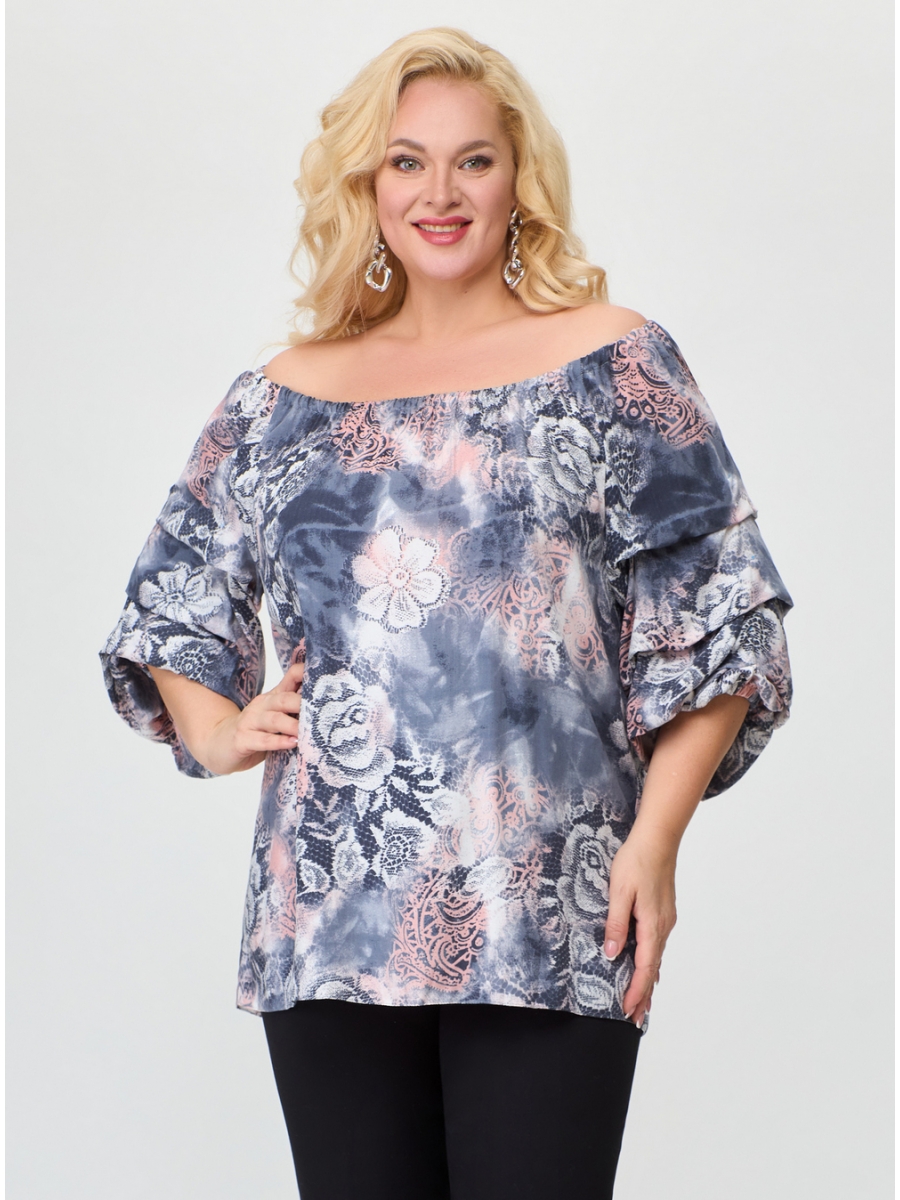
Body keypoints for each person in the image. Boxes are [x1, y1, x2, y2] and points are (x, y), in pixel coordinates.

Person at [100, 26, 793, 1200]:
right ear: (366, 187)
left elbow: (723, 619)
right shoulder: (282, 398)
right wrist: (214, 730)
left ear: (519, 177)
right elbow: (171, 595)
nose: (441, 193)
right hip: (328, 921)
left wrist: (656, 844)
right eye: (407, 162)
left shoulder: (615, 364)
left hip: (549, 908)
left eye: (474, 160)